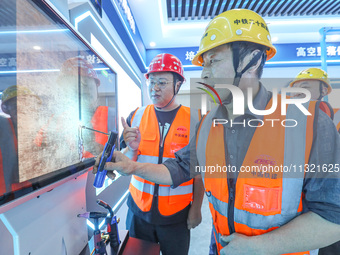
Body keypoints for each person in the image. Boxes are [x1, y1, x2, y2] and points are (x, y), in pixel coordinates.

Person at [94, 9, 340, 255]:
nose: (204, 74)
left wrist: (259, 247)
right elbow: (179, 168)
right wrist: (132, 167)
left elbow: (333, 216)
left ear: (251, 61)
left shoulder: (310, 123)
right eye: (204, 64)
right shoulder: (208, 125)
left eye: (214, 60)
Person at [117, 53, 204, 255]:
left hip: (177, 215)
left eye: (162, 82)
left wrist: (196, 208)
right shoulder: (136, 115)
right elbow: (125, 165)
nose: (154, 88)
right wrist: (131, 149)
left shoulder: (195, 120)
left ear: (178, 85)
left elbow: (199, 171)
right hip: (138, 213)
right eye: (152, 81)